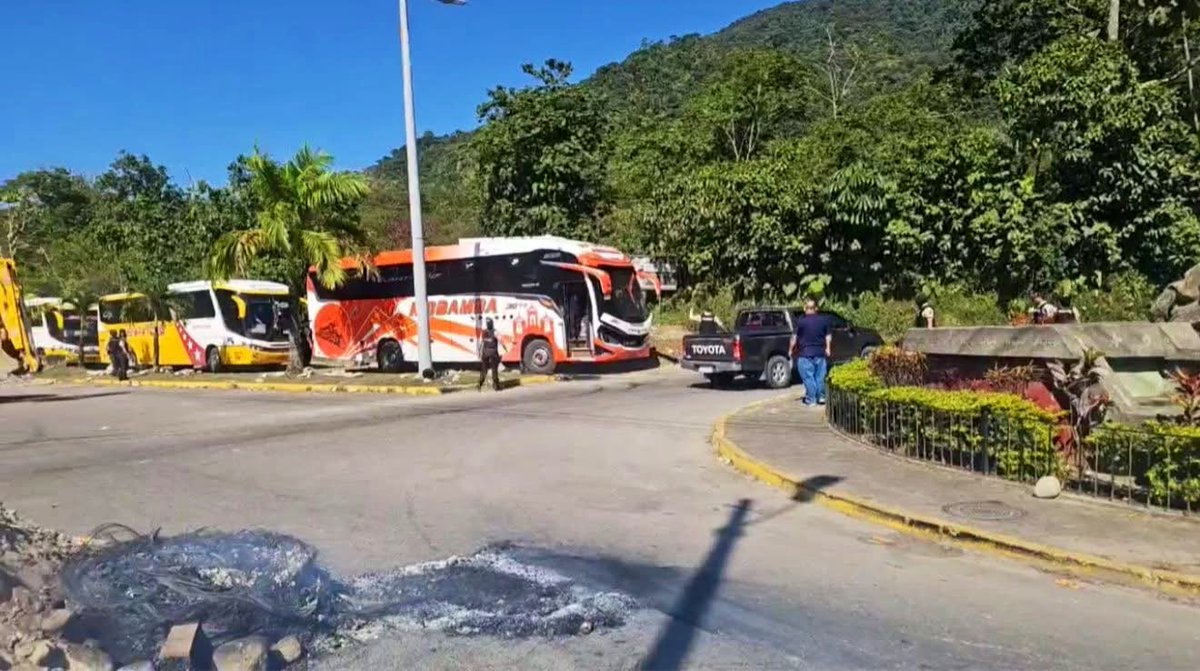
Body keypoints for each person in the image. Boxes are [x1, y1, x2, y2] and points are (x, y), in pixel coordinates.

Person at [793, 299, 832, 406]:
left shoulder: (801, 321)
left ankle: (812, 399)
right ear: (816, 308)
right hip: (820, 353)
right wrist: (828, 348)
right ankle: (822, 397)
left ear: (805, 308)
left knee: (808, 377)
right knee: (820, 376)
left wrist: (791, 349)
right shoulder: (824, 320)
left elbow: (794, 337)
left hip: (805, 354)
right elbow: (828, 336)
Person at [477, 318, 501, 392]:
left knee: (484, 369)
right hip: (493, 353)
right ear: (492, 323)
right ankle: (496, 386)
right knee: (494, 369)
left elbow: (481, 343)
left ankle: (480, 384)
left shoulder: (484, 332)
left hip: (485, 353)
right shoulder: (495, 332)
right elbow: (500, 340)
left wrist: (479, 353)